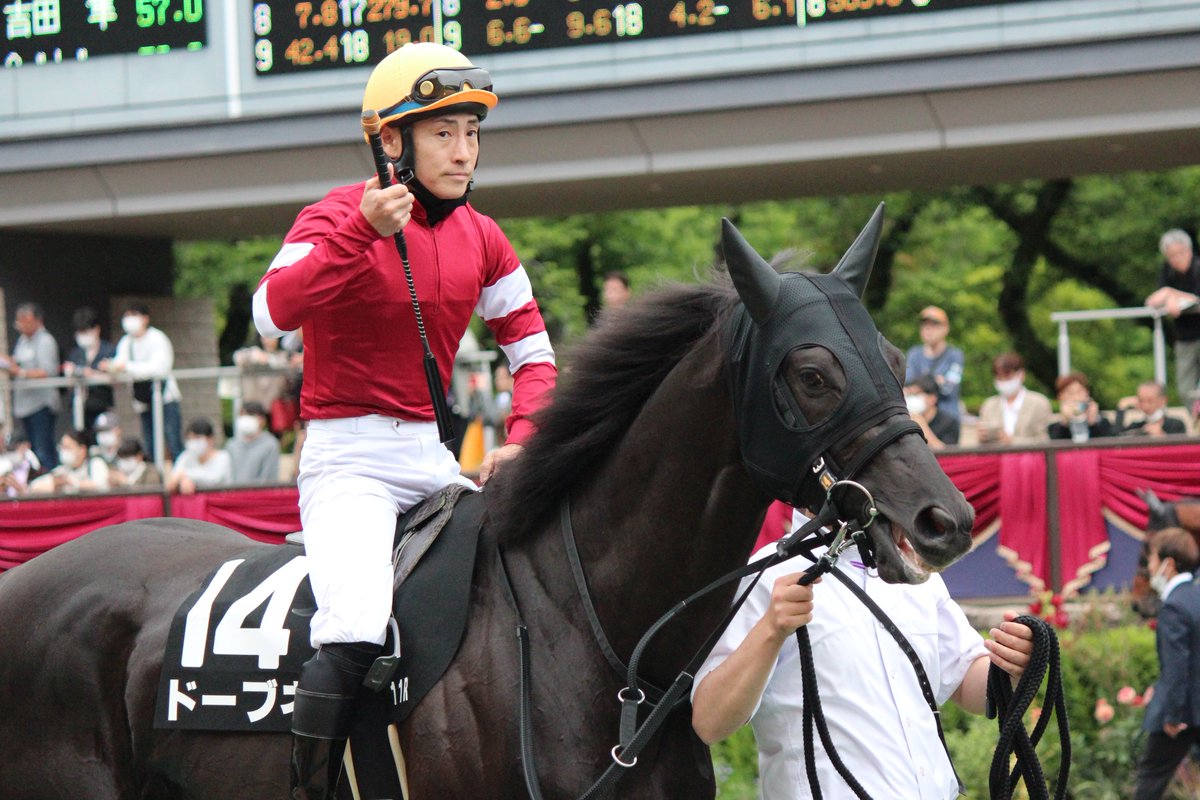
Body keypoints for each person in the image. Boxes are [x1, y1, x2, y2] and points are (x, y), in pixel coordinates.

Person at [249, 42, 557, 796]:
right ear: (392, 142)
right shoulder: (332, 214)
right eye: (444, 133)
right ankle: (311, 786)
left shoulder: (483, 235)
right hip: (346, 460)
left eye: (472, 134)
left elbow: (536, 355)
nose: (464, 152)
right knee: (355, 627)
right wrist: (360, 231)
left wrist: (523, 441)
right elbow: (268, 315)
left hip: (431, 460)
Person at [691, 508, 1035, 799]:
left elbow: (967, 687)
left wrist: (1011, 664)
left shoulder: (914, 572)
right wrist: (770, 630)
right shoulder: (767, 577)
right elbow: (710, 721)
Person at [1132, 528, 1200, 800]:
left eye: (1151, 561)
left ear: (1168, 564)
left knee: (1149, 783)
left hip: (1182, 714)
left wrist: (1173, 714)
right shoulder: (1195, 597)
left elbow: (1177, 666)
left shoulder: (1173, 607)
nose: (1149, 569)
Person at [105, 303, 184, 461]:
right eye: (127, 316)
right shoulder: (126, 342)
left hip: (165, 398)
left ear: (145, 318)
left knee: (173, 440)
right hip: (143, 399)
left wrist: (127, 367)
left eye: (134, 315)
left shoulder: (157, 338)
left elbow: (160, 368)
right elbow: (119, 364)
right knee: (151, 442)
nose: (129, 320)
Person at [1145, 229, 1200, 406]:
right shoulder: (1167, 271)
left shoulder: (1198, 268)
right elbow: (1153, 300)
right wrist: (1169, 297)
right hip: (1184, 337)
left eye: (1181, 253)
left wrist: (1170, 293)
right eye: (1172, 255)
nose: (1177, 259)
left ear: (1190, 250)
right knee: (1185, 390)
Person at [5, 303, 60, 470]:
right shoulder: (22, 341)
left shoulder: (45, 341)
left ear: (37, 321)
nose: (22, 326)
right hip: (25, 404)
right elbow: (18, 362)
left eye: (26, 322)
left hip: (41, 404)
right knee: (32, 450)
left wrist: (21, 372)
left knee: (43, 448)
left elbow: (48, 371)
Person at [904, 305, 964, 425]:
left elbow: (949, 389)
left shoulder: (955, 355)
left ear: (946, 328)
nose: (928, 329)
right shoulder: (914, 354)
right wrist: (936, 382)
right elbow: (908, 386)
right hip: (919, 416)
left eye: (934, 325)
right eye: (925, 325)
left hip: (946, 420)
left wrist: (921, 385)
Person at [976, 352, 1053, 445]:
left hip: (1028, 458)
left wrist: (1012, 441)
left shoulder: (1039, 403)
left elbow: (1044, 441)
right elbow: (982, 446)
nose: (1003, 382)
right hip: (996, 458)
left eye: (1007, 377)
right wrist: (982, 438)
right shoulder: (989, 405)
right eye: (999, 378)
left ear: (1021, 375)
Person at [63, 306, 118, 433]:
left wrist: (91, 374)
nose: (83, 336)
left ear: (96, 329)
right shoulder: (76, 353)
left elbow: (114, 378)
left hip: (101, 405)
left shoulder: (108, 350)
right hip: (79, 407)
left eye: (86, 331)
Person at [29, 429, 109, 495]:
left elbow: (101, 485)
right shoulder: (63, 470)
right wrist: (55, 484)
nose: (63, 452)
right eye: (62, 447)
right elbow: (34, 486)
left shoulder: (95, 464)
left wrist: (72, 483)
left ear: (82, 450)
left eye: (67, 448)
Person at [166, 418, 232, 494]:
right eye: (189, 438)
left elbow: (214, 479)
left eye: (197, 437)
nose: (193, 442)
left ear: (210, 439)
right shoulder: (186, 455)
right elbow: (174, 477)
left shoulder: (223, 457)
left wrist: (185, 475)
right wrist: (183, 480)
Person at [1046, 371, 1114, 442]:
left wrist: (1092, 422)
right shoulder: (1053, 426)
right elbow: (1055, 446)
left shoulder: (1103, 422)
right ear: (1060, 397)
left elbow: (1109, 445)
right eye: (1070, 393)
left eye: (1079, 392)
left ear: (1087, 393)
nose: (1076, 398)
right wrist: (1065, 422)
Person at [225, 401, 281, 484]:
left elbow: (268, 479)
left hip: (258, 495)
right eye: (242, 416)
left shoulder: (271, 445)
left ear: (262, 420)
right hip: (232, 495)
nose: (244, 419)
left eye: (249, 415)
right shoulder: (231, 444)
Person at [904, 374, 959, 448]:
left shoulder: (950, 423)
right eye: (909, 395)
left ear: (932, 398)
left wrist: (922, 427)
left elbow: (948, 455)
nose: (912, 399)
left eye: (916, 394)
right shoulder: (905, 420)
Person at [1120, 381, 1189, 436]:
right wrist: (1121, 408)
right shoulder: (1135, 427)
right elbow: (1114, 438)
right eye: (1141, 401)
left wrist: (1163, 436)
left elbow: (1182, 451)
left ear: (1163, 400)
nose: (1145, 406)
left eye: (1150, 401)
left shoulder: (1176, 425)